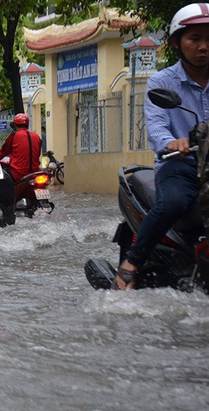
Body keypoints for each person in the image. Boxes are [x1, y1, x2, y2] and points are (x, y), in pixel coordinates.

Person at [112, 3, 209, 290]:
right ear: (177, 43)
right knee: (173, 203)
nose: (204, 47)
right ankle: (132, 262)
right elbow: (155, 125)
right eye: (195, 39)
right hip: (180, 165)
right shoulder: (162, 81)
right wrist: (171, 142)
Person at [0, 113, 42, 181]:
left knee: (0, 177)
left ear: (15, 126)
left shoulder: (14, 135)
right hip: (35, 172)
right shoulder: (36, 136)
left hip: (18, 173)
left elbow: (3, 152)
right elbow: (37, 154)